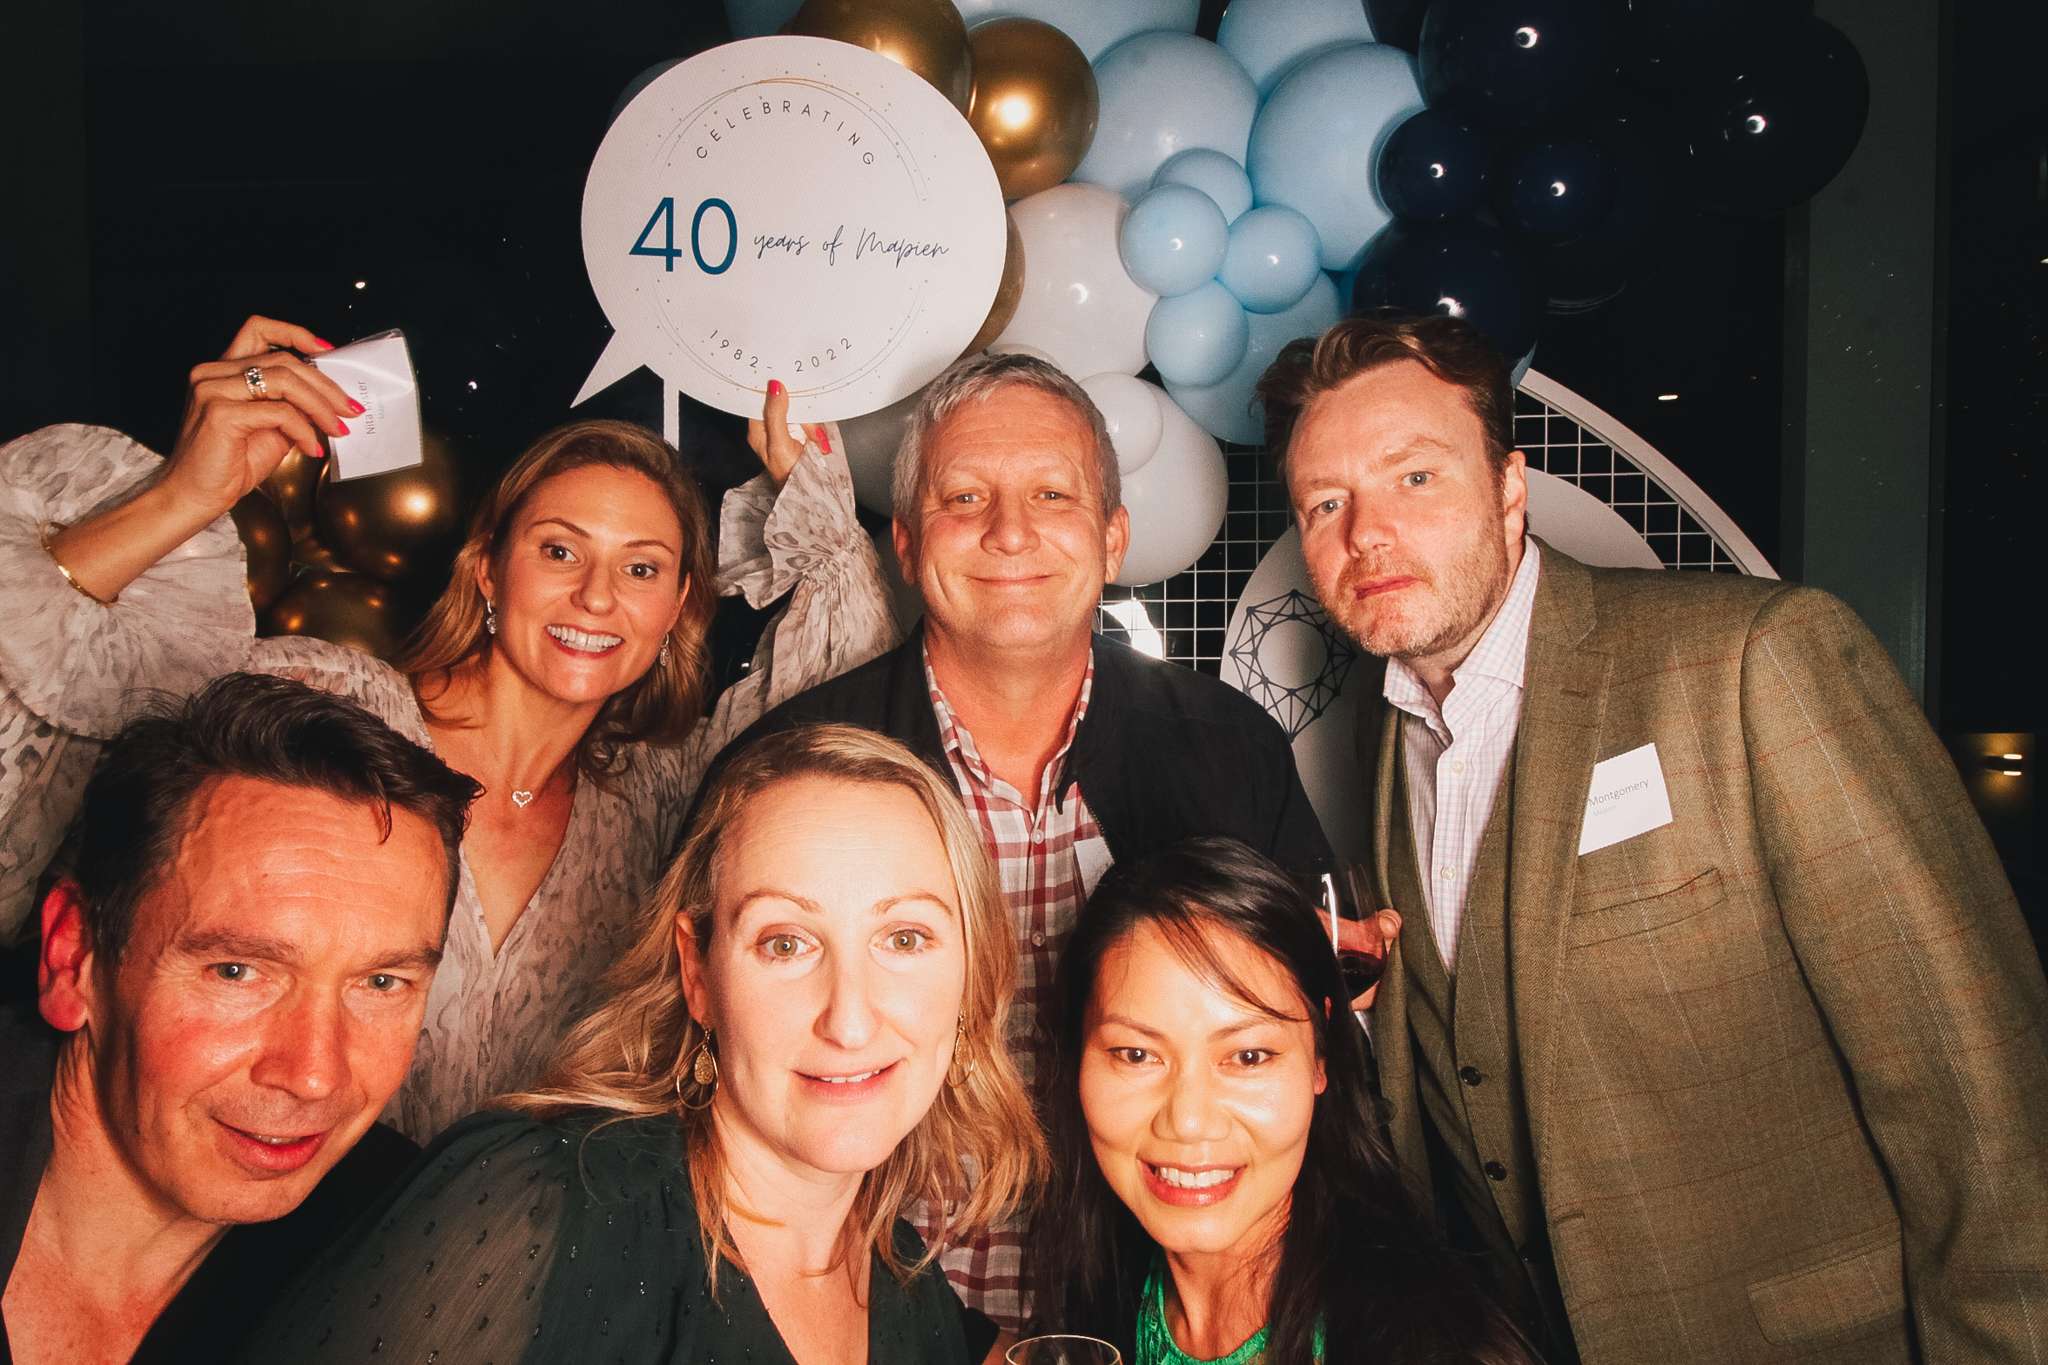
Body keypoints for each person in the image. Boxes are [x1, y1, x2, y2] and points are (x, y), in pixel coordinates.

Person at [1255, 311, 2048, 1362]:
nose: (1366, 533)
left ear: (1508, 488)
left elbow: (1977, 1086)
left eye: (1414, 477)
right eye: (1326, 502)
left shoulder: (1751, 660)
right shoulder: (1381, 728)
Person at [0, 314, 898, 1140]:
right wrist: (184, 495)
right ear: (487, 569)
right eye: (559, 550)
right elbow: (44, 744)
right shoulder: (331, 705)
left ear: (677, 610)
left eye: (642, 568)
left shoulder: (658, 797)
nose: (596, 596)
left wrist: (815, 501)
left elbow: (841, 709)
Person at [722, 350, 1338, 1331]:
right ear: (906, 542)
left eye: (1052, 494)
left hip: (1156, 1326)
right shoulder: (785, 776)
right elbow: (697, 1083)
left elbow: (1308, 1053)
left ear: (1111, 536)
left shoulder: (1231, 751)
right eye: (965, 497)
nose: (1009, 531)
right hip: (868, 1322)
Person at [250, 723, 1044, 1364]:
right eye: (785, 943)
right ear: (697, 973)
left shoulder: (901, 1275)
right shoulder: (543, 1198)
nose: (850, 1020)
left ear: (971, 975)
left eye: (905, 938)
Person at [0, 672, 480, 1364]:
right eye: (237, 972)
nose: (314, 1075)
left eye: (381, 982)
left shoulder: (410, 1243)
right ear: (74, 955)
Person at [1034, 836, 1533, 1365]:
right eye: (1136, 1055)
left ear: (1320, 1056)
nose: (1189, 1121)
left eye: (1248, 1056)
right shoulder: (1092, 1303)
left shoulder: (1429, 1349)